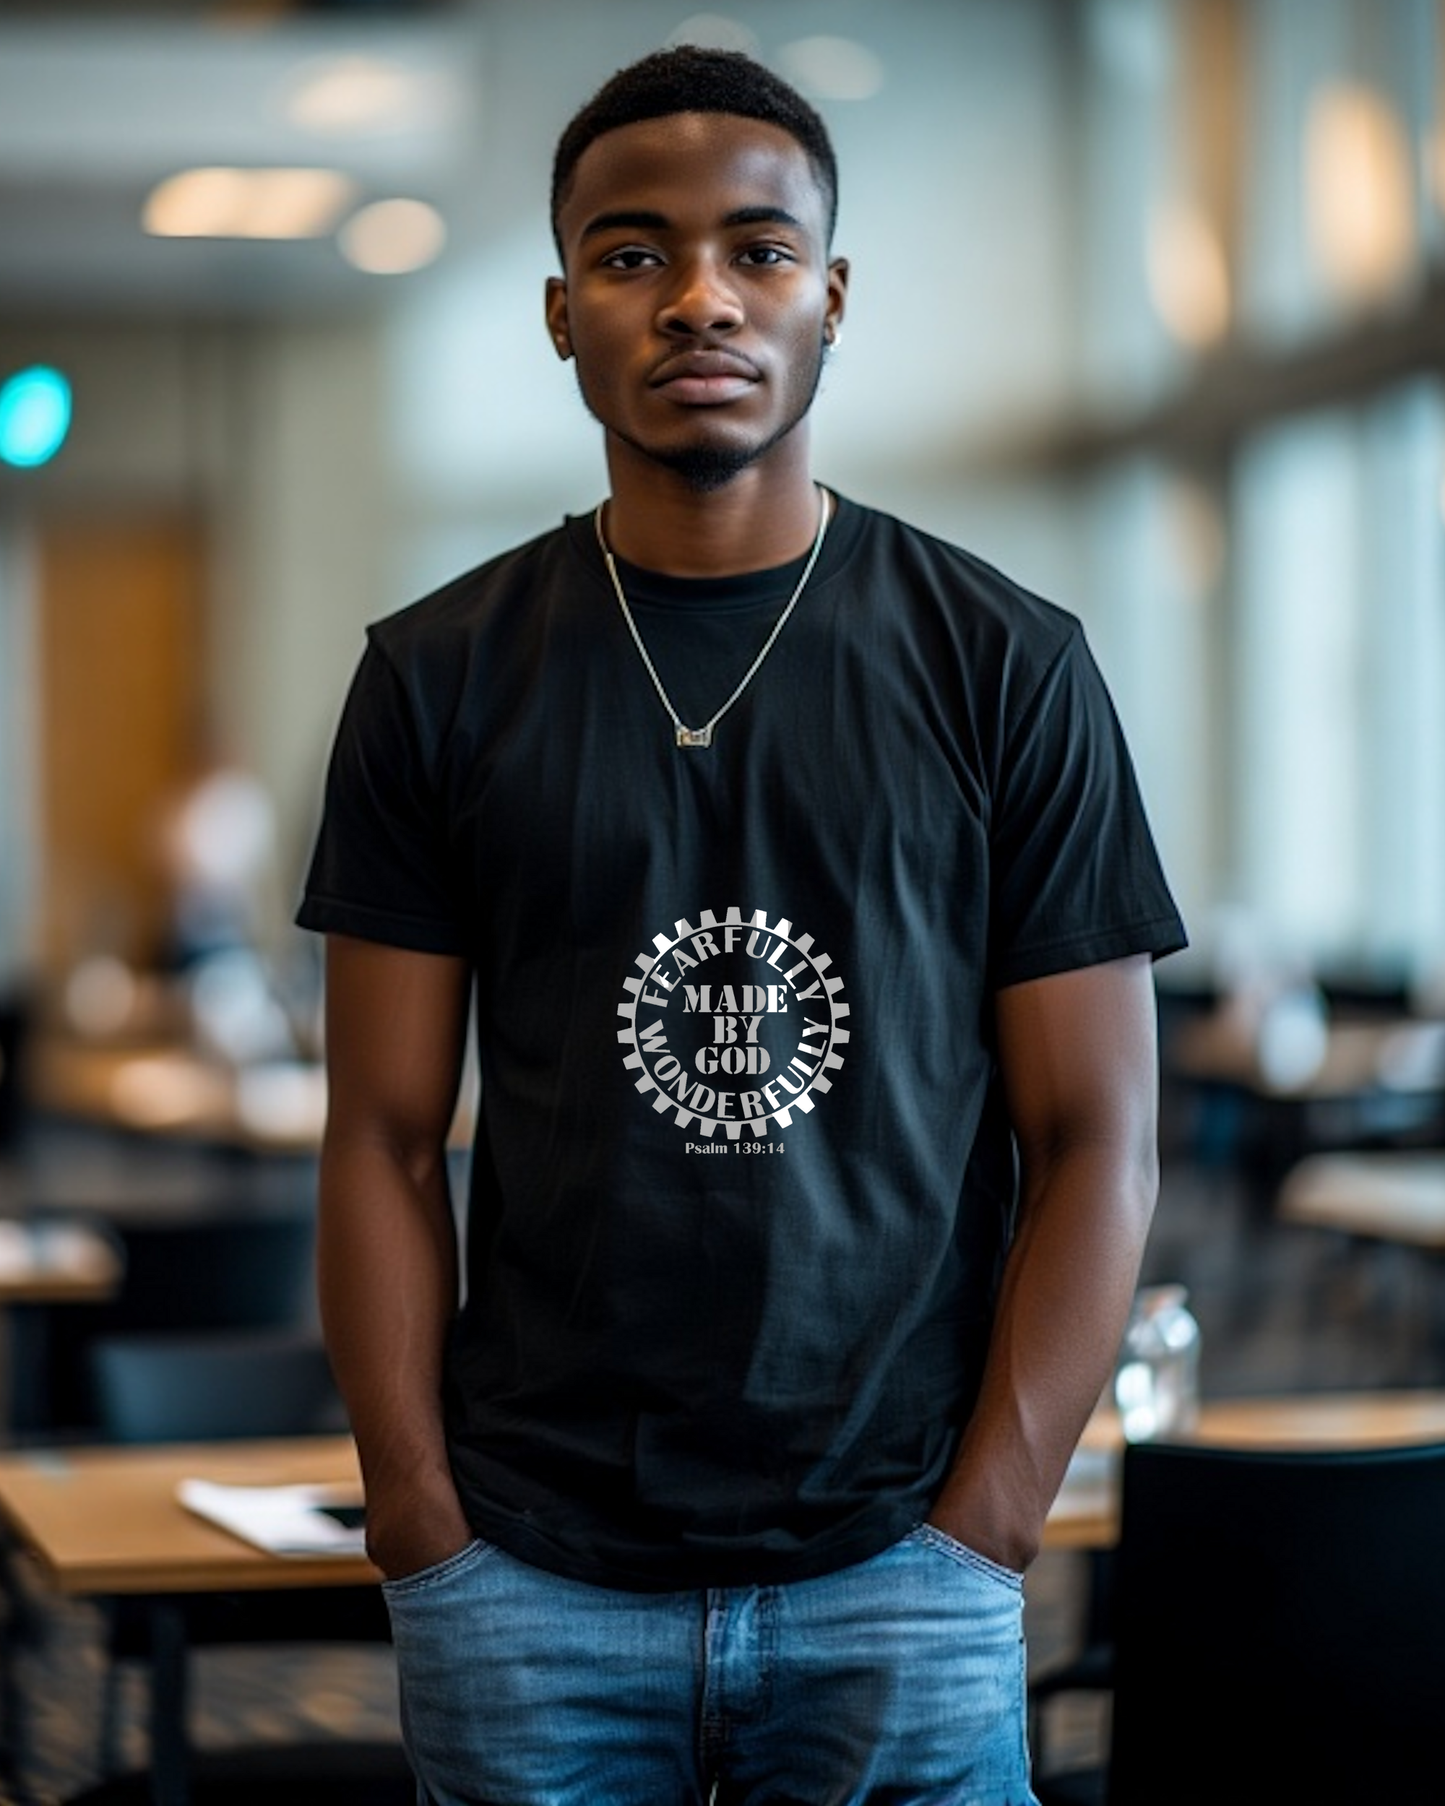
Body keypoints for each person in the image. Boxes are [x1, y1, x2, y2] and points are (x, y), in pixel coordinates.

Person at [298, 43, 1187, 1806]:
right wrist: (422, 1525)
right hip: (533, 1578)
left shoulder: (1007, 665)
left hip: (901, 1572)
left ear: (832, 297)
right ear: (562, 313)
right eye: (632, 255)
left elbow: (1102, 1136)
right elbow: (383, 1139)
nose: (699, 295)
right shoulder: (436, 676)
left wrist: (984, 1528)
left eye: (759, 251)